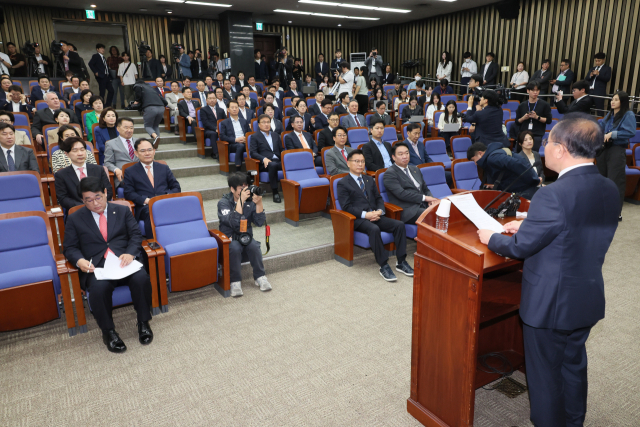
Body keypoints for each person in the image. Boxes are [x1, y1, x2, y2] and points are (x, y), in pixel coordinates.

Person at [477, 113, 618, 427]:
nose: (544, 148)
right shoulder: (608, 187)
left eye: (549, 141)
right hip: (586, 297)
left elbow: (518, 248)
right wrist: (530, 220)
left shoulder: (551, 194)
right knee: (572, 366)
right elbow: (579, 221)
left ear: (562, 149)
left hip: (550, 306)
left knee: (544, 378)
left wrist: (492, 237)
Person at [63, 176, 154, 354]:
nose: (95, 203)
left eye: (98, 197)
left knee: (141, 278)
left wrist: (130, 252)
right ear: (82, 200)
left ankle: (143, 322)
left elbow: (135, 235)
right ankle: (108, 332)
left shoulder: (121, 210)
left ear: (105, 192)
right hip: (97, 267)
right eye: (88, 200)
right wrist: (79, 260)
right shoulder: (75, 218)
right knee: (98, 289)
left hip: (123, 261)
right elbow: (69, 247)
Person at [337, 149, 412, 282]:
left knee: (399, 225)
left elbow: (378, 198)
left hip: (375, 215)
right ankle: (383, 265)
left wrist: (379, 211)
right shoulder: (343, 183)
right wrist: (366, 215)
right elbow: (346, 207)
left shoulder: (368, 179)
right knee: (374, 229)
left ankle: (401, 261)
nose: (360, 164)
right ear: (348, 163)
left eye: (362, 161)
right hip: (358, 219)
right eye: (356, 161)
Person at [217, 172, 272, 297]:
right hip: (230, 239)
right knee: (235, 247)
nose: (245, 192)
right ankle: (235, 282)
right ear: (232, 189)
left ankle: (260, 277)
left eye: (246, 188)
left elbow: (259, 222)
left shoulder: (249, 201)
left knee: (254, 246)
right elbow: (234, 223)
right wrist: (240, 202)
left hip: (245, 237)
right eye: (241, 189)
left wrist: (258, 204)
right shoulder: (223, 203)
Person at [123, 138, 181, 237]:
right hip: (146, 206)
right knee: (152, 213)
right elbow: (128, 192)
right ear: (136, 153)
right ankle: (154, 245)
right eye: (143, 151)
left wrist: (165, 197)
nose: (147, 153)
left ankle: (178, 238)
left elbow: (176, 187)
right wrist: (146, 200)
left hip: (165, 202)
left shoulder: (163, 167)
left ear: (154, 151)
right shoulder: (130, 171)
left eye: (150, 150)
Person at [597, 91, 636, 220]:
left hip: (617, 150)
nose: (612, 102)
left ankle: (615, 212)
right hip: (604, 150)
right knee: (601, 181)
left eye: (616, 100)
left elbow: (630, 132)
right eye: (612, 99)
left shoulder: (628, 114)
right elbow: (601, 128)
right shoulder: (609, 114)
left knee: (615, 182)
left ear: (622, 102)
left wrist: (612, 134)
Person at [384, 142, 438, 224]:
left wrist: (431, 199)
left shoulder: (415, 169)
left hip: (423, 204)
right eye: (400, 154)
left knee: (446, 209)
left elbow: (425, 188)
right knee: (434, 215)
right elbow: (401, 194)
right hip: (408, 210)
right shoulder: (390, 173)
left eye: (407, 153)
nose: (405, 156)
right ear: (393, 157)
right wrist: (425, 198)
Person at [54, 136, 111, 211]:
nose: (80, 153)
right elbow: (63, 198)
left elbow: (108, 191)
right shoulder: (61, 175)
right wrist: (85, 206)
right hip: (78, 211)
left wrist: (97, 204)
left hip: (100, 208)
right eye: (75, 150)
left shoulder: (98, 169)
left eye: (82, 149)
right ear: (66, 154)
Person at [467, 141, 540, 199]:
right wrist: (496, 186)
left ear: (480, 153)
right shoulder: (493, 155)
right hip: (520, 188)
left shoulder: (493, 158)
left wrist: (533, 180)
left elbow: (516, 164)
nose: (476, 163)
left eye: (474, 160)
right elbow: (508, 175)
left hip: (525, 189)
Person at [250, 114, 283, 203]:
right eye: (264, 122)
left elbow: (281, 149)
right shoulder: (255, 136)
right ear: (259, 125)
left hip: (278, 161)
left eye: (268, 122)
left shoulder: (275, 135)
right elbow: (253, 153)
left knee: (290, 163)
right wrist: (263, 158)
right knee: (272, 165)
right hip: (264, 163)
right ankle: (275, 192)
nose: (266, 124)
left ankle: (291, 189)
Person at [513, 81, 552, 151]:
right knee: (518, 155)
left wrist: (537, 117)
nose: (535, 92)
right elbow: (517, 122)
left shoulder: (545, 105)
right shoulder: (522, 105)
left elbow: (549, 120)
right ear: (528, 91)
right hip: (523, 134)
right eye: (533, 90)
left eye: (537, 90)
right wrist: (524, 118)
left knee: (533, 154)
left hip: (536, 135)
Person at [104, 117, 138, 188]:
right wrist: (116, 170)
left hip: (141, 173)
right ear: (118, 129)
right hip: (124, 176)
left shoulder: (139, 142)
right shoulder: (111, 144)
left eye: (131, 128)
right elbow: (107, 162)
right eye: (126, 127)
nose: (129, 130)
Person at [132, 79, 168, 145]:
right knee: (155, 126)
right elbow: (165, 101)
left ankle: (156, 137)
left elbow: (138, 96)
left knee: (148, 126)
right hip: (161, 108)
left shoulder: (137, 86)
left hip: (150, 108)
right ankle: (156, 143)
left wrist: (135, 102)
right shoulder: (151, 88)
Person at [219, 100, 250, 169]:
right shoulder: (224, 122)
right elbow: (222, 136)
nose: (234, 109)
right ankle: (238, 169)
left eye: (236, 107)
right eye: (232, 107)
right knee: (240, 146)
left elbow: (249, 133)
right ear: (228, 110)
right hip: (233, 144)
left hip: (245, 142)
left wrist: (246, 139)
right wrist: (236, 139)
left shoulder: (244, 121)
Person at [201, 92, 227, 159]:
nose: (212, 100)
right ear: (206, 100)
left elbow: (225, 121)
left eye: (213, 98)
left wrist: (222, 129)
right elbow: (205, 122)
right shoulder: (203, 110)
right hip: (209, 130)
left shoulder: (221, 110)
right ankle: (216, 153)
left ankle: (226, 152)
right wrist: (215, 129)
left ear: (216, 99)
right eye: (210, 98)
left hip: (220, 129)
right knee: (213, 134)